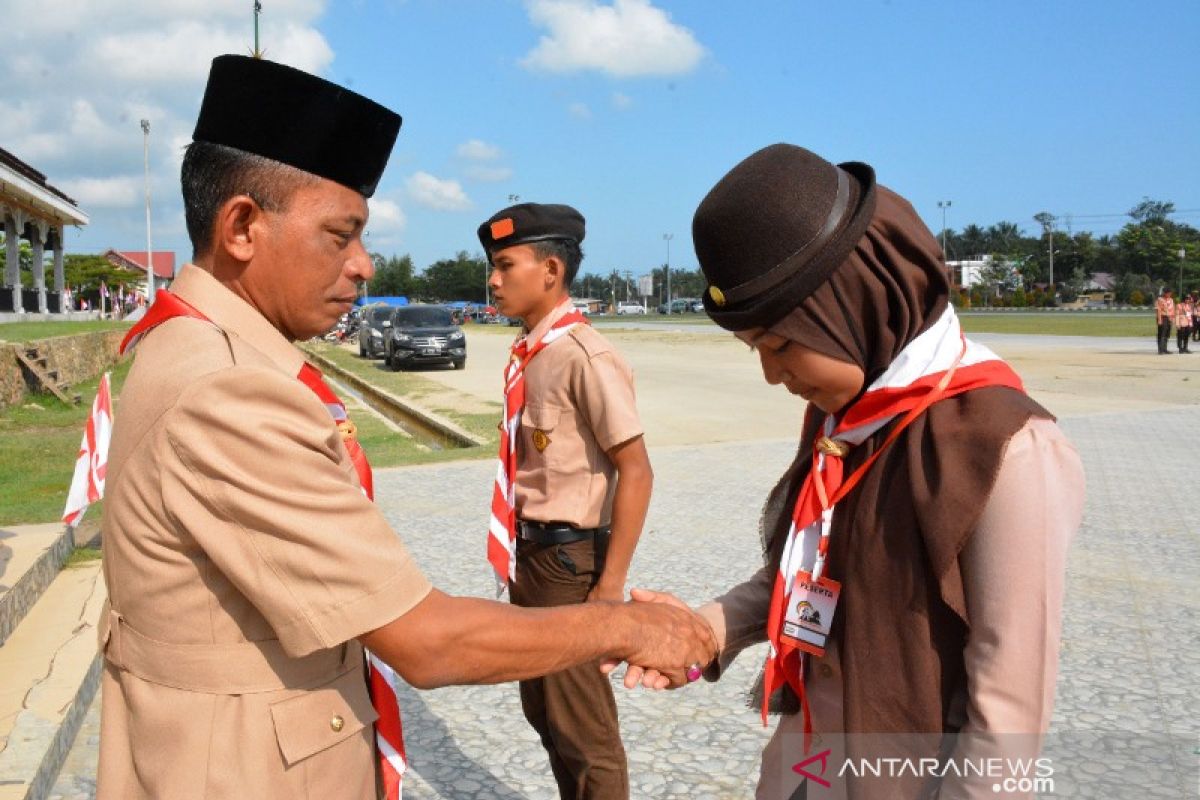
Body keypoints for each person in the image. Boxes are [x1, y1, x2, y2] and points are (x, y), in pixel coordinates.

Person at [97, 55, 716, 800]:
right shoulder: (230, 390)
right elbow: (426, 641)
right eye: (340, 235)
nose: (363, 266)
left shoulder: (194, 346)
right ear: (241, 227)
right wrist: (624, 627)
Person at [620, 144, 1084, 798]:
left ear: (857, 305)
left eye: (781, 345)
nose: (772, 374)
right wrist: (707, 631)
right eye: (756, 349)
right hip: (806, 769)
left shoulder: (1006, 449)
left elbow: (1008, 709)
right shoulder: (848, 419)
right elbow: (807, 575)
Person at [479, 202, 653, 799]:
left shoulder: (584, 356)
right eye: (492, 267)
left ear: (550, 270)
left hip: (568, 563)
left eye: (505, 265)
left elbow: (637, 470)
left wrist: (611, 587)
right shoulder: (535, 354)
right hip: (531, 558)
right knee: (546, 715)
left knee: (585, 733)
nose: (493, 280)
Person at [1156, 288, 1175, 354]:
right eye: (1168, 293)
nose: (1169, 294)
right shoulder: (1160, 299)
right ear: (1164, 293)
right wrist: (1159, 320)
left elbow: (1172, 309)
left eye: (1170, 293)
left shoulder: (1171, 300)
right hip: (1163, 317)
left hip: (1169, 317)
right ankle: (1160, 350)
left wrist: (1172, 318)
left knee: (1167, 334)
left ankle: (1165, 349)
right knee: (1162, 333)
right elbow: (1158, 310)